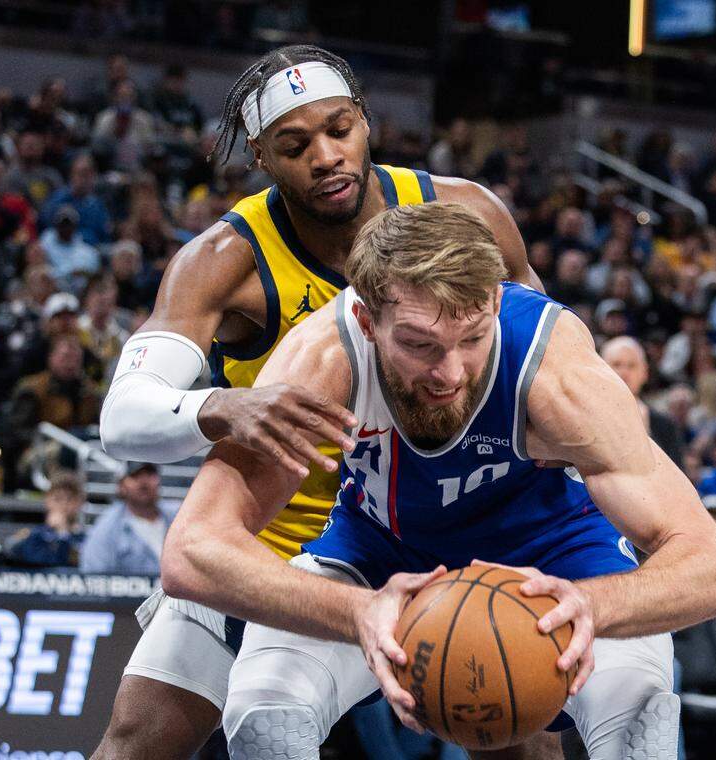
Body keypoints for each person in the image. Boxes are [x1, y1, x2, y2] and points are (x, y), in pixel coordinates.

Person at [160, 203, 716, 758]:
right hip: (383, 553)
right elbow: (191, 551)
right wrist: (356, 611)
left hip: (557, 558)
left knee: (642, 716)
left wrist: (593, 602)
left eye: (472, 339)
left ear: (493, 301)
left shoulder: (557, 372)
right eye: (419, 345)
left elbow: (715, 568)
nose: (451, 372)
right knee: (264, 707)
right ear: (366, 320)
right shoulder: (320, 360)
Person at [93, 45, 539, 760]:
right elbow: (123, 418)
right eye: (296, 145)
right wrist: (220, 408)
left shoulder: (464, 213)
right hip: (274, 545)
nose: (326, 156)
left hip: (437, 528)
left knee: (517, 732)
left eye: (339, 129)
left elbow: (540, 362)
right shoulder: (224, 259)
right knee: (138, 742)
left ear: (367, 123)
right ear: (262, 158)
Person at [80, 463, 176, 575]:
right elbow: (93, 577)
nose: (143, 482)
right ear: (121, 485)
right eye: (135, 476)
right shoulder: (107, 528)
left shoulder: (178, 515)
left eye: (150, 474)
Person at [600, 336, 684, 464]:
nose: (624, 372)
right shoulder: (581, 417)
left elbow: (679, 478)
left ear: (645, 373)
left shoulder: (665, 425)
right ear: (600, 369)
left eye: (631, 366)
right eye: (617, 364)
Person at [7, 471, 87, 567]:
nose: (64, 505)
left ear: (79, 502)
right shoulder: (34, 536)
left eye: (70, 499)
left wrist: (63, 533)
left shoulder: (85, 539)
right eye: (58, 499)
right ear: (48, 500)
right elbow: (36, 562)